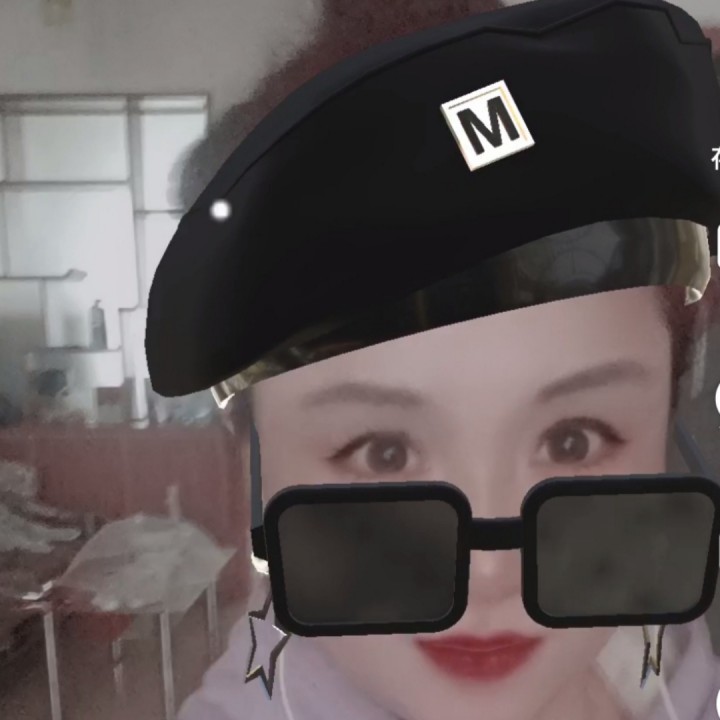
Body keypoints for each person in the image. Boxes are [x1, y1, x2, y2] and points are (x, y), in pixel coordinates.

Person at [144, 0, 720, 719]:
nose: (492, 570)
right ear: (252, 474)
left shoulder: (671, 652)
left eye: (572, 441)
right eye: (384, 453)